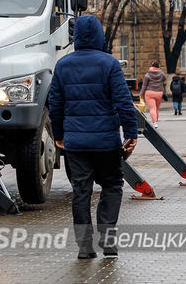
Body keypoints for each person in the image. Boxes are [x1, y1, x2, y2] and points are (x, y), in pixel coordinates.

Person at [45, 14, 137, 260]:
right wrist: (130, 133)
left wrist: (60, 135)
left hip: (75, 142)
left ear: (76, 37)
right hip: (106, 142)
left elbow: (55, 104)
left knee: (81, 190)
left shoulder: (63, 65)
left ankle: (85, 247)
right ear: (99, 34)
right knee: (112, 185)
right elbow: (124, 102)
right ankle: (108, 242)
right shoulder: (109, 64)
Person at [140, 61, 166, 128]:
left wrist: (141, 94)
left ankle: (154, 123)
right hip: (159, 92)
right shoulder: (161, 73)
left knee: (152, 109)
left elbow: (144, 86)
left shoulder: (147, 75)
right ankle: (156, 121)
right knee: (157, 108)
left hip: (149, 93)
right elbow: (164, 79)